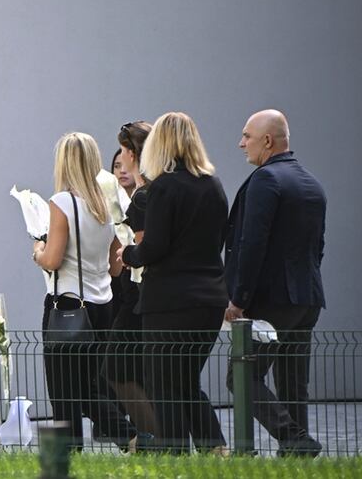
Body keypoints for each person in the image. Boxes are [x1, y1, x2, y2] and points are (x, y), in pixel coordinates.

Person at [32, 132, 150, 453]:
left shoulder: (62, 203)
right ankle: (131, 436)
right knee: (87, 387)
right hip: (101, 306)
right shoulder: (102, 204)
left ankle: (64, 459)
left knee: (63, 390)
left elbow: (53, 260)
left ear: (64, 162)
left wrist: (38, 250)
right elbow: (115, 268)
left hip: (68, 306)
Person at [119, 112, 228, 454]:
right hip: (210, 299)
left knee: (162, 381)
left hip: (170, 301)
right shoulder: (213, 184)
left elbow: (155, 247)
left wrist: (129, 254)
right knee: (184, 379)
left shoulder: (164, 187)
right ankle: (214, 449)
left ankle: (173, 451)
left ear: (160, 144)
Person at [224, 110, 325, 457]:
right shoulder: (311, 182)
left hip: (270, 303)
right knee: (293, 383)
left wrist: (239, 298)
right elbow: (318, 246)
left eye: (246, 136)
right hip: (307, 299)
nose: (241, 143)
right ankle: (295, 454)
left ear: (267, 141)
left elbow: (252, 244)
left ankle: (295, 440)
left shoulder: (266, 180)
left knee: (241, 378)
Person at [103, 123, 158, 436]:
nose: (120, 161)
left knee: (118, 368)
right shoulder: (151, 193)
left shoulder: (143, 197)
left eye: (123, 153)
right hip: (137, 296)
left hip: (137, 297)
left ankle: (157, 439)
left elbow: (143, 251)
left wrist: (128, 253)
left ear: (134, 154)